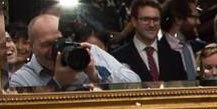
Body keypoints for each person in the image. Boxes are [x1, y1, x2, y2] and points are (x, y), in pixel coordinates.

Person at [10, 13, 140, 90]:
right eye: (46, 44)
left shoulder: (87, 52)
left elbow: (135, 84)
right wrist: (57, 83)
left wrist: (96, 75)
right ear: (31, 46)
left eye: (58, 41)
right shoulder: (20, 79)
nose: (54, 50)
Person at [112, 0, 188, 82]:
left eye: (155, 20)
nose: (152, 25)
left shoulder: (174, 56)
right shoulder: (117, 58)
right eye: (146, 19)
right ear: (134, 21)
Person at [161, 0, 204, 80]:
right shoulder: (158, 53)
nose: (198, 22)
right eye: (194, 17)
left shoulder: (202, 48)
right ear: (178, 19)